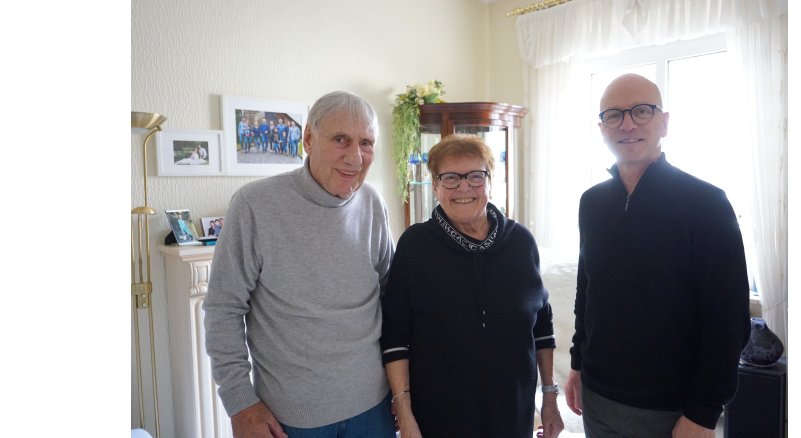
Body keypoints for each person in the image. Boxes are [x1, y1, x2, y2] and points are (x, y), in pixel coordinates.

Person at [564, 73, 751, 438]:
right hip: (597, 400)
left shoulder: (706, 203)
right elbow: (588, 292)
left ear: (664, 122)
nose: (628, 123)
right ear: (601, 127)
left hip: (670, 410)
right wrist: (577, 364)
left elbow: (728, 319)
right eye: (614, 115)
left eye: (642, 111)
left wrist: (703, 413)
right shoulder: (593, 202)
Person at [204, 90, 396, 437]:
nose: (355, 157)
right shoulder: (254, 205)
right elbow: (223, 309)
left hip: (375, 408)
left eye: (366, 143)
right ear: (308, 138)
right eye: (341, 139)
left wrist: (402, 392)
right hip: (291, 418)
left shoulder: (372, 204)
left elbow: (391, 298)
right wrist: (240, 403)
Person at [380, 134, 564, 438]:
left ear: (490, 181)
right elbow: (395, 337)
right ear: (436, 185)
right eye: (450, 177)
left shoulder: (521, 242)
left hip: (512, 414)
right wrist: (404, 413)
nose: (464, 187)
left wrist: (549, 397)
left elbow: (542, 326)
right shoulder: (415, 247)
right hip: (439, 417)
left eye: (476, 176)